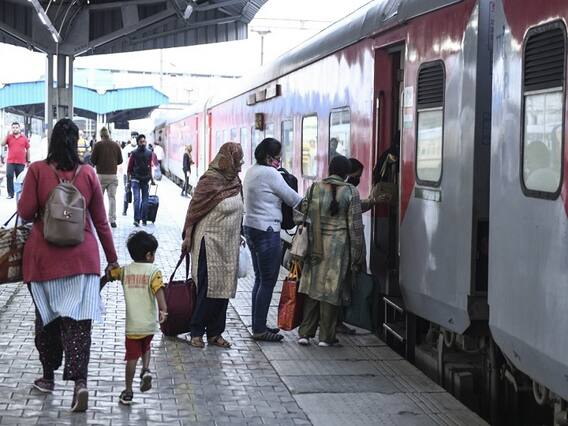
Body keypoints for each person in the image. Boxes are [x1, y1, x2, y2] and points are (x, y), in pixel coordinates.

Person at [17, 118, 118, 412]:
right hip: (82, 261)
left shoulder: (37, 170)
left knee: (47, 321)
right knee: (78, 325)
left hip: (43, 262)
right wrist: (112, 260)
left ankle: (48, 378)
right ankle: (79, 384)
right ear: (77, 143)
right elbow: (101, 222)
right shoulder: (88, 174)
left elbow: (25, 212)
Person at [181, 142, 244, 349]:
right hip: (209, 242)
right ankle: (197, 331)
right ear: (226, 160)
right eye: (237, 160)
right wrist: (187, 236)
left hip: (229, 244)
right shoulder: (209, 180)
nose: (240, 165)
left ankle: (216, 333)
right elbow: (193, 211)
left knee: (224, 288)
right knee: (207, 288)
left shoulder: (235, 181)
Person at [297, 155, 364, 347]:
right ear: (346, 173)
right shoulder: (351, 191)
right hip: (339, 248)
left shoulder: (314, 188)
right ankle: (326, 337)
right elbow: (355, 227)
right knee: (331, 291)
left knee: (312, 289)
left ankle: (305, 333)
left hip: (315, 244)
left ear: (330, 169)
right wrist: (358, 254)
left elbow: (302, 214)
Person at [243, 138, 302, 342]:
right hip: (267, 230)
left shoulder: (251, 171)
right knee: (268, 281)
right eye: (277, 158)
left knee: (260, 279)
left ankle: (257, 324)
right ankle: (260, 329)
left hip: (251, 228)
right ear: (269, 157)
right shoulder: (270, 173)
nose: (279, 162)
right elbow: (293, 199)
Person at [103, 231, 168, 405]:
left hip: (132, 326)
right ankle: (146, 369)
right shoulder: (154, 271)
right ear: (148, 255)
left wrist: (100, 283)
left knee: (132, 357)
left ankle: (128, 391)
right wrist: (163, 310)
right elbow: (159, 290)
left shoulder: (125, 271)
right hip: (149, 324)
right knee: (146, 346)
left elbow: (110, 275)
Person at [91, 127, 123, 228]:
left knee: (98, 199)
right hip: (112, 176)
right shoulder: (116, 145)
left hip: (100, 176)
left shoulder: (98, 145)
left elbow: (93, 160)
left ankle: (98, 219)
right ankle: (112, 220)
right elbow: (120, 161)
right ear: (108, 134)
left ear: (101, 135)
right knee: (112, 198)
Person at [127, 134, 155, 227]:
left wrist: (152, 179)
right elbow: (129, 168)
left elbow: (149, 167)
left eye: (144, 141)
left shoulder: (136, 153)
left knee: (142, 200)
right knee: (140, 199)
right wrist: (128, 181)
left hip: (142, 179)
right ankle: (140, 220)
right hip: (137, 179)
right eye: (141, 142)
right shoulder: (145, 153)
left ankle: (140, 219)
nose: (143, 143)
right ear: (138, 142)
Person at [2, 122, 30, 199]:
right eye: (13, 127)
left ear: (19, 128)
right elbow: (2, 144)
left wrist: (28, 160)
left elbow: (28, 149)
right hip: (10, 161)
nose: (15, 129)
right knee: (9, 176)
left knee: (20, 179)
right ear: (11, 128)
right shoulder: (9, 137)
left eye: (16, 127)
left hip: (21, 162)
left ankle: (20, 194)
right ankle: (10, 194)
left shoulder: (24, 138)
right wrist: (7, 134)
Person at [122, 139, 137, 216]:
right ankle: (135, 211)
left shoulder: (126, 149)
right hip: (133, 174)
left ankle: (125, 210)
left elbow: (123, 161)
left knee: (127, 191)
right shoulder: (138, 148)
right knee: (135, 193)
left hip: (127, 173)